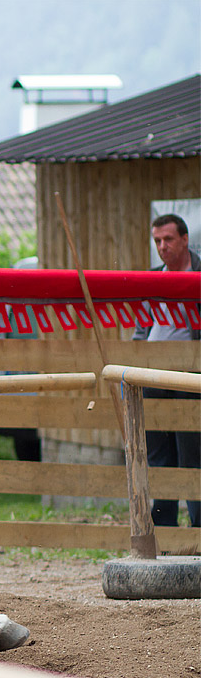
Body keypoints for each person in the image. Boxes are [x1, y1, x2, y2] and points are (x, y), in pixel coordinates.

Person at [133, 213, 200, 527]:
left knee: (192, 455)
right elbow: (140, 329)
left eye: (168, 239)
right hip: (152, 376)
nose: (162, 246)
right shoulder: (152, 278)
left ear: (185, 239)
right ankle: (164, 532)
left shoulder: (198, 274)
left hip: (189, 377)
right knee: (158, 457)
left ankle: (198, 531)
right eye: (157, 241)